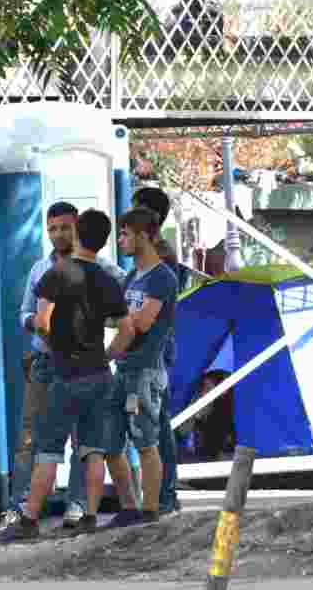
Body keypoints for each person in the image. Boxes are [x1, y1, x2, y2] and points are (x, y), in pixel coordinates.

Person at [0, 210, 137, 541]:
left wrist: (55, 343)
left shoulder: (56, 274)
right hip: (99, 374)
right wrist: (107, 355)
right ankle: (89, 516)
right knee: (91, 448)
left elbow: (42, 321)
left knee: (48, 449)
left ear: (76, 235)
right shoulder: (107, 279)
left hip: (64, 374)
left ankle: (30, 519)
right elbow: (127, 329)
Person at [109, 206, 178, 525]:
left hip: (145, 371)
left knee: (146, 441)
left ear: (145, 236)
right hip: (123, 370)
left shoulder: (162, 277)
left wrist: (108, 351)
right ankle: (129, 507)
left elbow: (140, 323)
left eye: (126, 233)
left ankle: (150, 510)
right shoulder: (130, 278)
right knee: (111, 441)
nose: (120, 239)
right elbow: (120, 319)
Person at [130, 186, 183, 517]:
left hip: (154, 352)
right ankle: (161, 493)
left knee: (157, 424)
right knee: (153, 422)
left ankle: (164, 494)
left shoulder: (160, 260)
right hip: (152, 351)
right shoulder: (152, 258)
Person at [178, 370, 234, 460]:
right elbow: (181, 433)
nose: (203, 394)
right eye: (202, 389)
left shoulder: (226, 419)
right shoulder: (192, 408)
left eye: (208, 390)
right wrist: (194, 417)